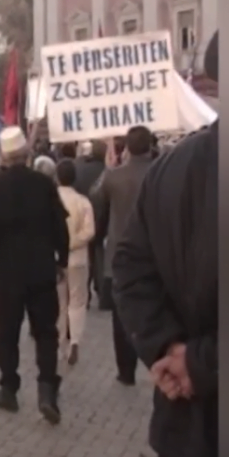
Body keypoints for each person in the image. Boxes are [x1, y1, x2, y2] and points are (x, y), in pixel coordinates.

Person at [112, 31, 218, 457]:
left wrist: (172, 352)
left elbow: (128, 264)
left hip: (185, 427)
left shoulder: (171, 166)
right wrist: (187, 359)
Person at [0, 126, 69, 423]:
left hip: (7, 275)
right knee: (45, 333)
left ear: (4, 156)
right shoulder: (44, 183)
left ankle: (9, 389)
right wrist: (62, 260)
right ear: (26, 154)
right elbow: (60, 226)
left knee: (7, 334)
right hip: (41, 271)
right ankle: (46, 390)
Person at [91, 125, 157, 386]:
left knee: (121, 315)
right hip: (156, 251)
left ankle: (125, 370)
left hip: (121, 253)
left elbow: (94, 198)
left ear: (127, 147)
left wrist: (109, 167)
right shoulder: (160, 171)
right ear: (151, 145)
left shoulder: (114, 177)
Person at [54, 158, 95, 365]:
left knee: (60, 303)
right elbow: (90, 231)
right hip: (78, 258)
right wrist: (73, 242)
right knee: (77, 301)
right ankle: (75, 340)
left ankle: (60, 344)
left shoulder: (51, 200)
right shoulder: (83, 201)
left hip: (55, 260)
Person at [74, 140, 109, 310]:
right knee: (99, 255)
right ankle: (102, 292)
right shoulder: (107, 170)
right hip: (102, 216)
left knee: (86, 256)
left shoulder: (79, 167)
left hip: (81, 216)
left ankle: (85, 293)